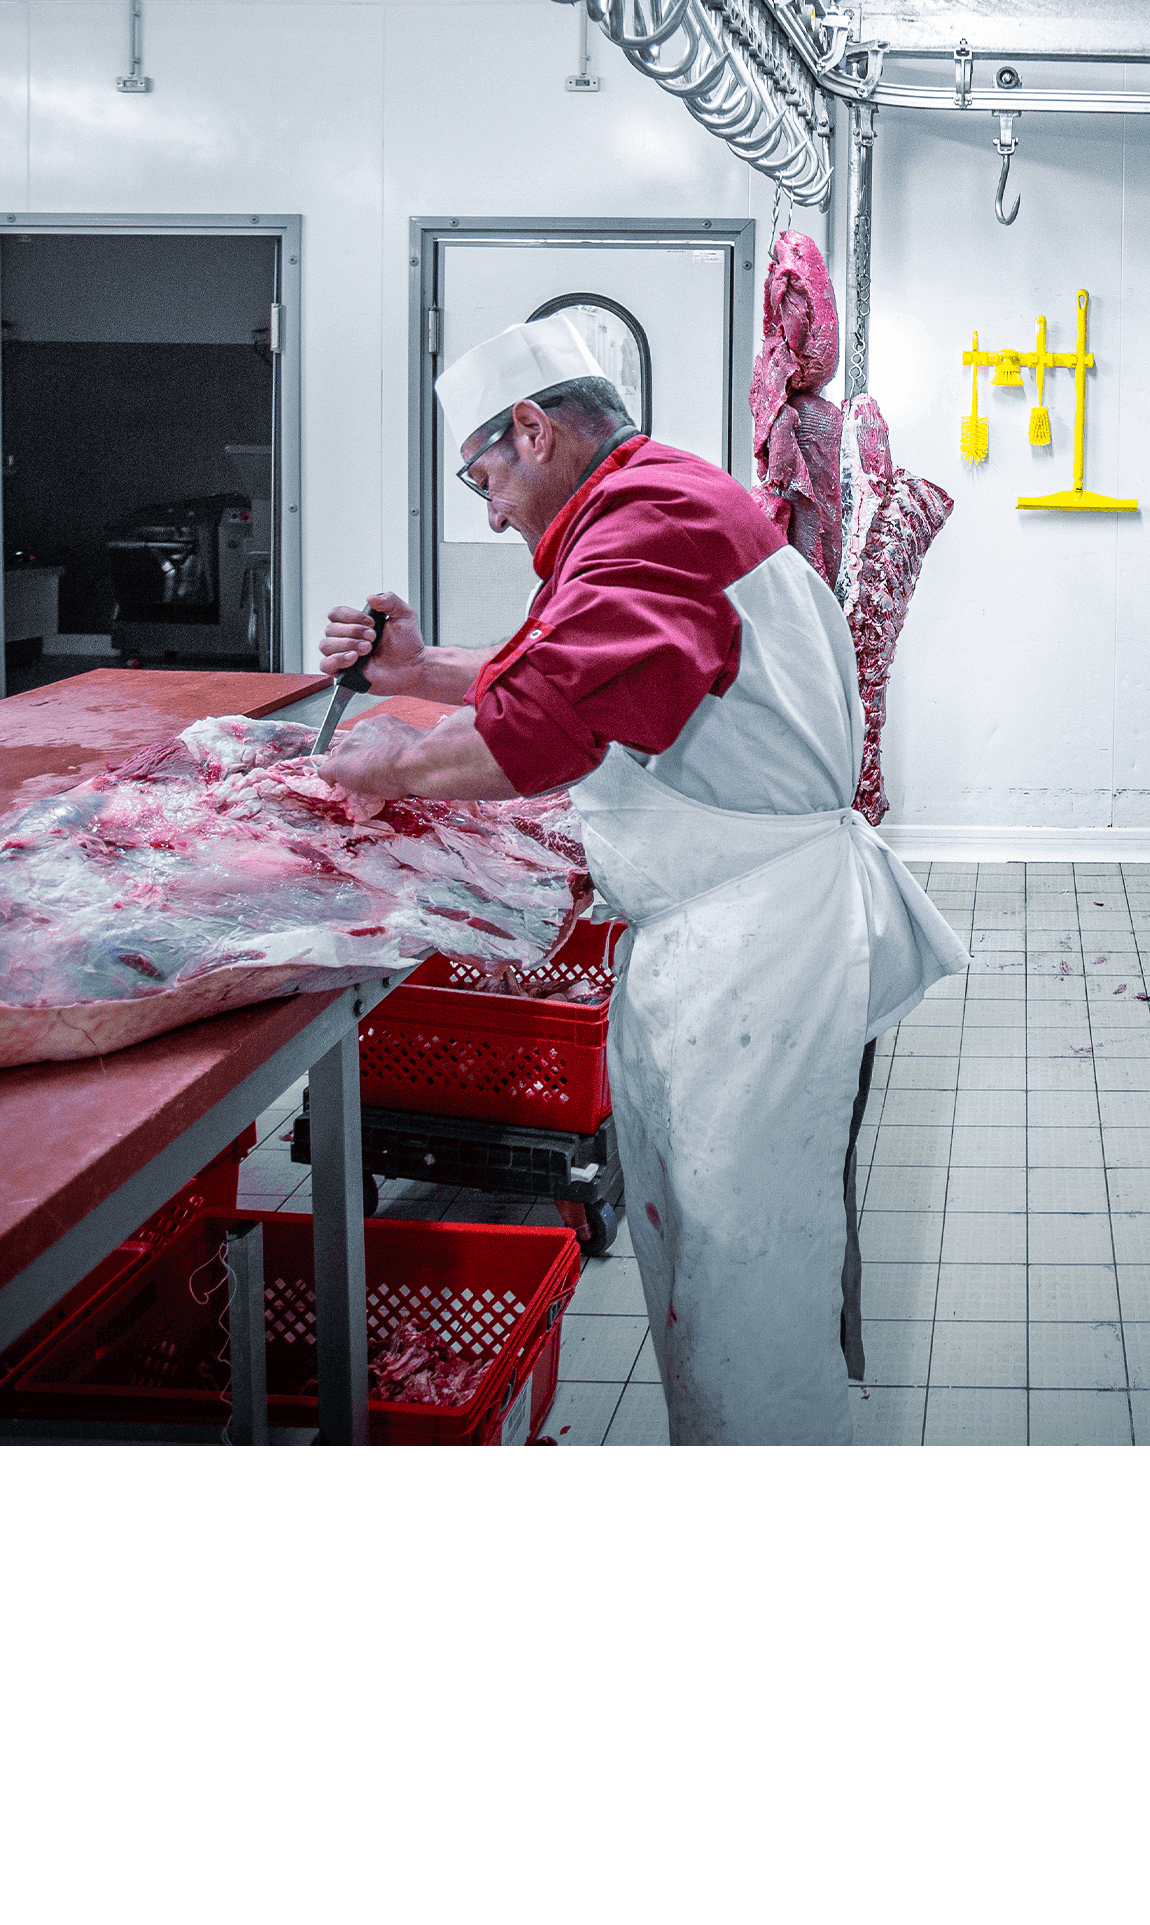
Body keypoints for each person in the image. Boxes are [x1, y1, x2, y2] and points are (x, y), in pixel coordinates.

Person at [317, 314, 962, 1444]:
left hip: (753, 953)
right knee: (710, 1263)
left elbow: (549, 728)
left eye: (484, 474)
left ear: (532, 430)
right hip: (729, 937)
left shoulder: (648, 518)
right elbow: (584, 672)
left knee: (744, 1284)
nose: (486, 507)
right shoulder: (646, 504)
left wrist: (397, 756)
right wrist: (423, 671)